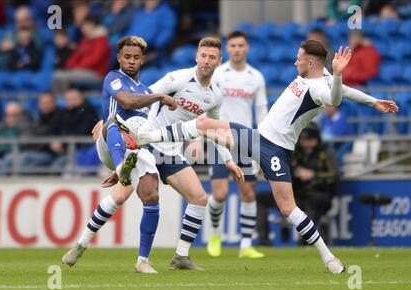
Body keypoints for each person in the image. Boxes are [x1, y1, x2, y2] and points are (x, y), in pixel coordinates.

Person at [131, 40, 399, 274]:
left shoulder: (320, 87)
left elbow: (336, 98)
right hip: (259, 138)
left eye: (298, 58)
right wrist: (373, 101)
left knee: (288, 209)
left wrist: (340, 77)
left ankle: (328, 257)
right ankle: (146, 137)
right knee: (205, 125)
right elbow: (345, 91)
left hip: (275, 149)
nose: (294, 62)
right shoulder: (321, 75)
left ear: (310, 62)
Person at [91, 36, 243, 271]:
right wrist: (116, 123)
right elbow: (144, 97)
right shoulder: (178, 78)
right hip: (148, 144)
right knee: (119, 196)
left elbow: (213, 127)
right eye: (203, 56)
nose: (206, 61)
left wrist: (229, 161)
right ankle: (82, 244)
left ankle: (180, 257)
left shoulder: (215, 96)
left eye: (212, 57)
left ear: (219, 61)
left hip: (171, 150)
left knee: (199, 198)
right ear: (197, 57)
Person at [62, 36, 178, 273]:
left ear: (143, 60)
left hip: (134, 148)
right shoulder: (113, 78)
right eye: (127, 57)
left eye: (136, 57)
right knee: (114, 121)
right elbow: (126, 101)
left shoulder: (145, 91)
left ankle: (139, 260)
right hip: (109, 143)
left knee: (151, 195)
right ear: (119, 58)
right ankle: (120, 168)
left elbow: (144, 128)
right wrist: (160, 96)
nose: (131, 61)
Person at [202, 31, 268, 259]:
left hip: (245, 141)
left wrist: (263, 144)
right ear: (227, 49)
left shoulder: (256, 77)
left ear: (246, 47)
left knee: (248, 193)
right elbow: (206, 105)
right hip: (219, 139)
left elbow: (261, 113)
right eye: (232, 45)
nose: (237, 49)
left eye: (241, 45)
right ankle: (215, 235)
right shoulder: (218, 74)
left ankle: (246, 245)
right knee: (219, 194)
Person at [291, 123, 338, 245]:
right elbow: (288, 169)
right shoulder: (296, 151)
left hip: (321, 194)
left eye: (310, 140)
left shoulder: (326, 151)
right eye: (304, 140)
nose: (306, 143)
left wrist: (313, 175)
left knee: (312, 201)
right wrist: (295, 171)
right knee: (262, 198)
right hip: (297, 194)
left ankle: (305, 240)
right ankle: (263, 241)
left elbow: (335, 175)